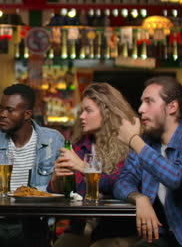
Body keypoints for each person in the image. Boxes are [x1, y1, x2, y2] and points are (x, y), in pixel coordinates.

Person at [113, 76, 182, 247]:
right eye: (141, 102)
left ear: (172, 107)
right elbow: (123, 181)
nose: (141, 109)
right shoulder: (149, 141)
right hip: (165, 237)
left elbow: (177, 178)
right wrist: (139, 198)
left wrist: (134, 140)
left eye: (149, 101)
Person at [0, 83, 65, 247]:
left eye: (10, 110)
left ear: (27, 114)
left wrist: (29, 195)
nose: (2, 115)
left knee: (29, 236)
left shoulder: (53, 140)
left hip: (35, 220)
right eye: (1, 109)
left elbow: (59, 188)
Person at [49, 83, 138, 247]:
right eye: (81, 111)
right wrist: (56, 182)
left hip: (119, 229)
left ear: (107, 113)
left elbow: (119, 185)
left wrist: (83, 167)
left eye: (88, 111)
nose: (81, 116)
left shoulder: (128, 145)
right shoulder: (79, 146)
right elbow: (62, 194)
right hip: (83, 227)